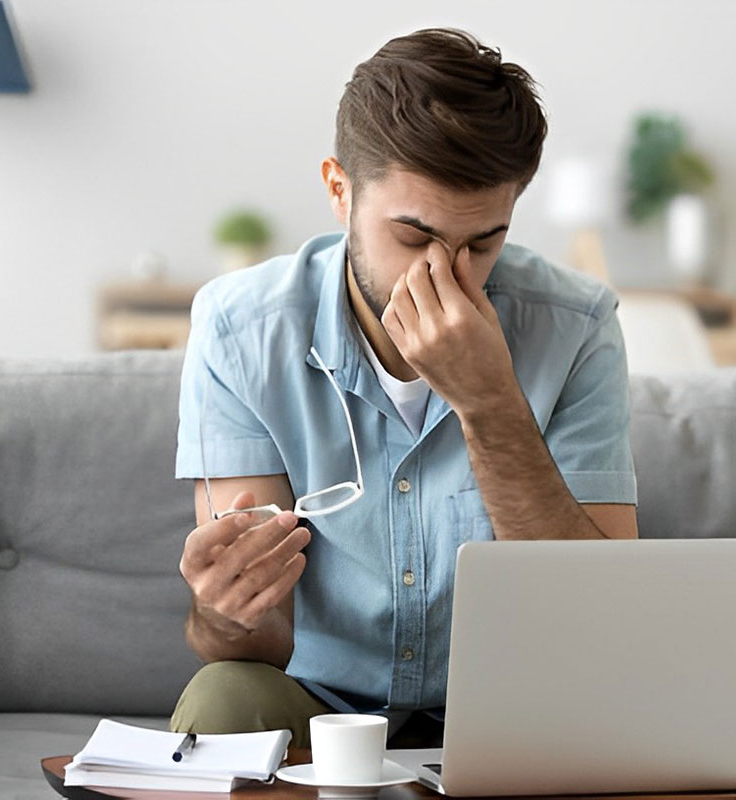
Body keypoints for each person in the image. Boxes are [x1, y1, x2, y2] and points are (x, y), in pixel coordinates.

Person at [170, 27, 638, 748]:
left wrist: (489, 403)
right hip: (324, 710)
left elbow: (599, 621)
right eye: (414, 238)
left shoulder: (576, 326)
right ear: (338, 190)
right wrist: (224, 613)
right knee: (224, 696)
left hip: (520, 713)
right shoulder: (240, 330)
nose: (445, 276)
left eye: (483, 242)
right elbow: (249, 645)